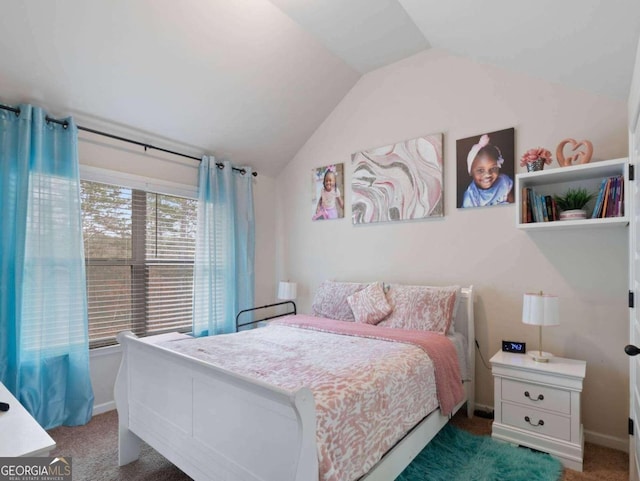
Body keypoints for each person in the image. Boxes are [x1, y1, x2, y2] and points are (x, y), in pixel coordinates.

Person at [462, 134, 514, 207]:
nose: (488, 174)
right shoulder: (471, 196)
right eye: (480, 170)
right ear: (471, 172)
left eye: (493, 168)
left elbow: (513, 205)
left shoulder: (503, 181)